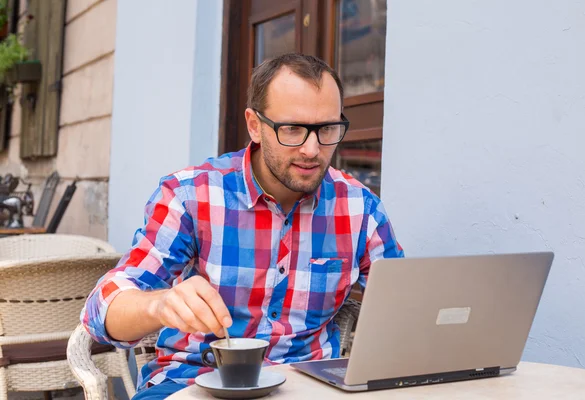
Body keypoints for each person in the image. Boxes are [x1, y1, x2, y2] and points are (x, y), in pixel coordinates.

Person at [81, 53, 404, 399]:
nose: (313, 149)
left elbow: (406, 307)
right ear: (254, 125)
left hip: (309, 388)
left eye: (326, 129)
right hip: (191, 383)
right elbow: (100, 312)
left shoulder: (360, 209)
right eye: (293, 129)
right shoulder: (191, 195)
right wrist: (158, 305)